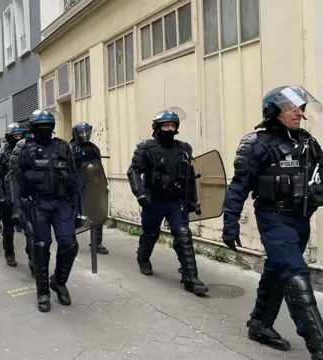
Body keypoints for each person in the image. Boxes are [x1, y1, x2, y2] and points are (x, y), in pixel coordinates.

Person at [222, 85, 323, 358]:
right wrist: (230, 222)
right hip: (273, 219)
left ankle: (260, 324)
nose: (299, 113)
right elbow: (238, 187)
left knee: (277, 270)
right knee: (295, 274)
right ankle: (319, 345)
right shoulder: (256, 144)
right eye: (291, 108)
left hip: (301, 220)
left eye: (301, 108)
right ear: (274, 111)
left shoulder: (308, 142)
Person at [5, 109, 82, 313]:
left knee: (70, 244)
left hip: (61, 203)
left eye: (49, 125)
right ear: (33, 127)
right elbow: (12, 178)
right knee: (40, 246)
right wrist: (16, 208)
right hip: (37, 203)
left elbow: (74, 179)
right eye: (41, 126)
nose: (46, 129)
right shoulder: (22, 149)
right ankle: (43, 292)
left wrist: (79, 209)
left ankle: (58, 281)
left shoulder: (63, 147)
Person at [126, 106, 208, 295]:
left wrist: (192, 200)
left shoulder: (184, 149)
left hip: (175, 202)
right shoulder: (146, 147)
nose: (170, 129)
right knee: (151, 234)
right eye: (166, 126)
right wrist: (140, 193)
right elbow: (134, 171)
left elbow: (190, 176)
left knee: (183, 234)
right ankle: (143, 258)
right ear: (157, 127)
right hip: (153, 201)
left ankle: (191, 277)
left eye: (173, 125)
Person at [0, 123, 28, 267]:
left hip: (25, 194)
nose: (18, 138)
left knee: (30, 228)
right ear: (9, 137)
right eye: (15, 136)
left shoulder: (28, 150)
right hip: (7, 195)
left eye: (20, 135)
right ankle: (9, 252)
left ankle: (32, 257)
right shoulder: (0, 154)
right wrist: (0, 195)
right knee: (8, 227)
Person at [71, 122, 109, 255]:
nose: (84, 135)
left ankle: (97, 242)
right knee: (75, 213)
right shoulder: (71, 148)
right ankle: (71, 240)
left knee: (97, 213)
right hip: (78, 186)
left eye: (86, 132)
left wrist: (104, 184)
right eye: (81, 132)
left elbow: (99, 167)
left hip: (94, 185)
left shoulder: (94, 148)